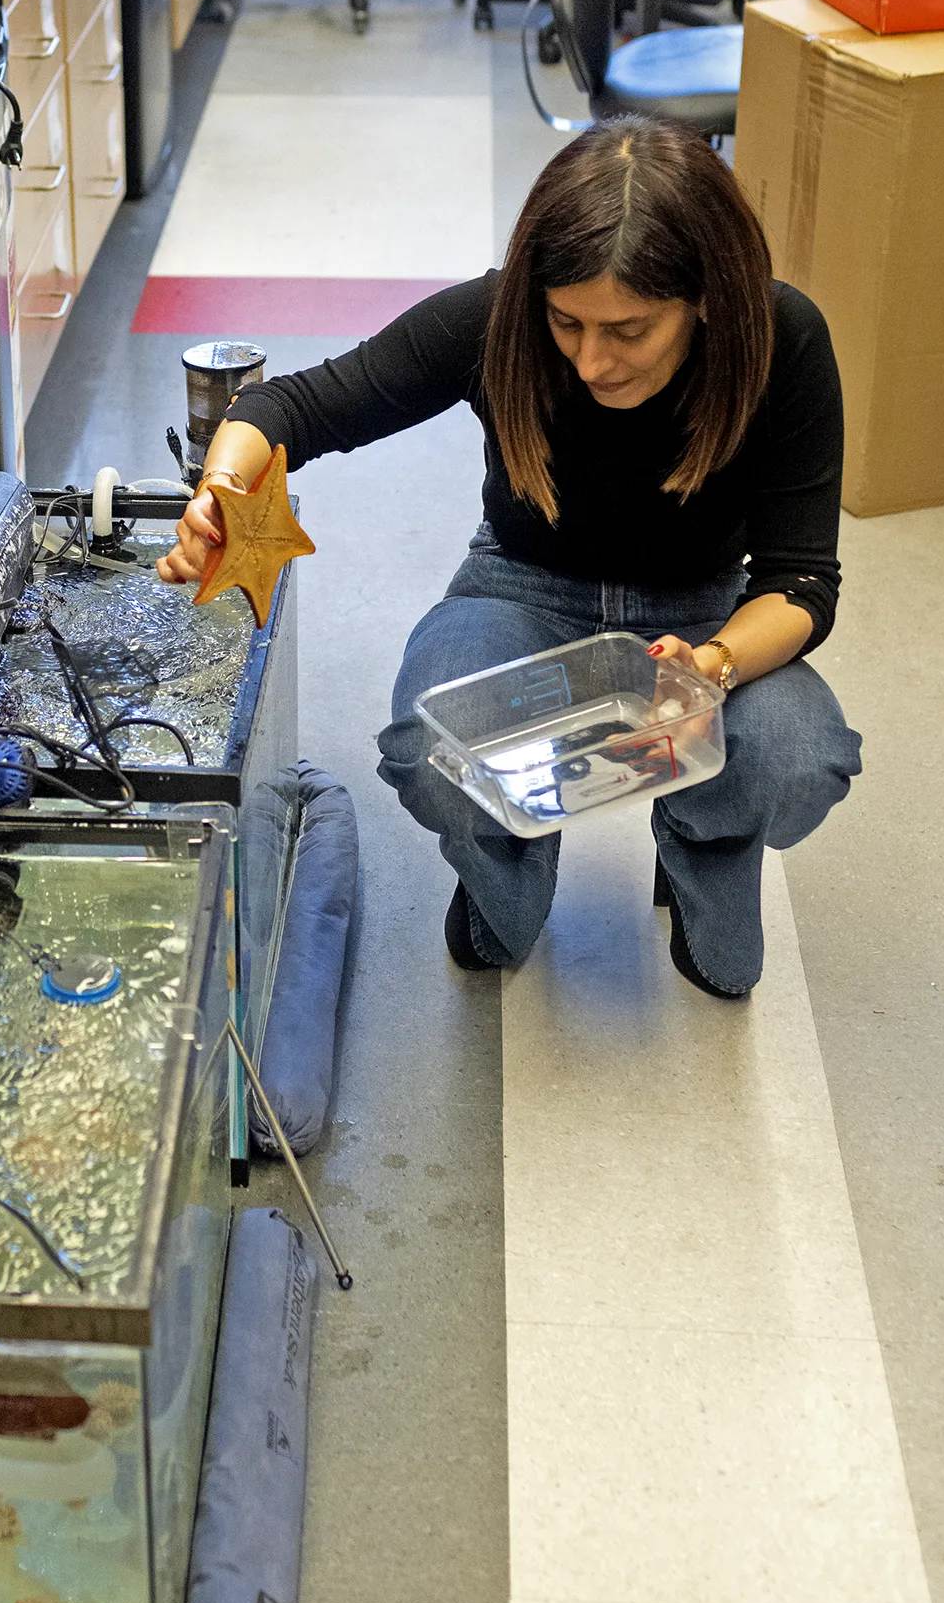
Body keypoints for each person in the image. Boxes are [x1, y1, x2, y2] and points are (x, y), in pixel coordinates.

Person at [156, 118, 861, 999]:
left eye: (628, 331)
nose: (592, 360)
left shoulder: (782, 337)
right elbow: (296, 406)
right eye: (567, 322)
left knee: (797, 758)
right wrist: (219, 491)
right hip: (523, 586)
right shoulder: (498, 319)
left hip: (706, 613)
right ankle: (510, 851)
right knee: (428, 751)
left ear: (707, 299)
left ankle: (700, 836)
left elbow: (802, 581)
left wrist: (711, 669)